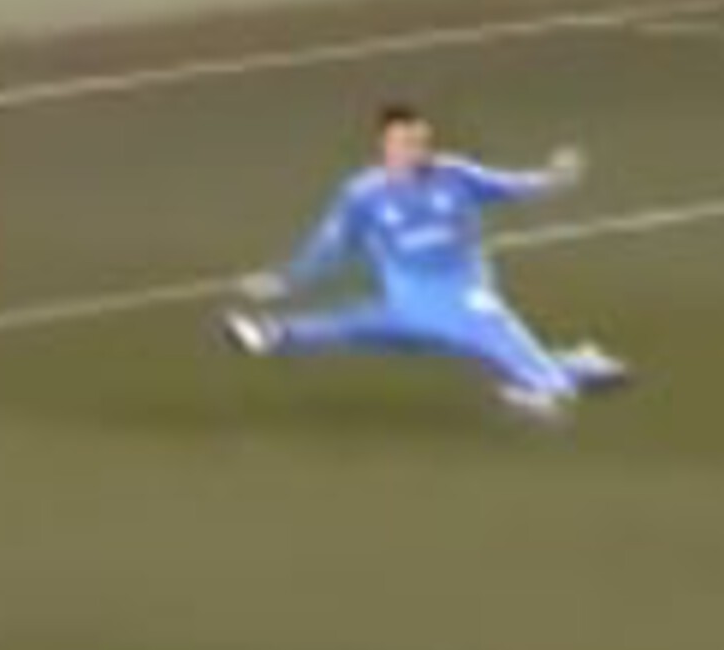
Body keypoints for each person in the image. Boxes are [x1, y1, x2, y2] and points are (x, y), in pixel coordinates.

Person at [223, 104, 630, 419]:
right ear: (386, 146)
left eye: (422, 141)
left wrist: (553, 178)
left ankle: (552, 382)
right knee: (358, 326)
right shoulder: (362, 194)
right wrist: (287, 280)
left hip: (461, 289)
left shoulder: (456, 175)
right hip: (410, 299)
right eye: (407, 143)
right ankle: (570, 370)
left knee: (492, 331)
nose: (418, 150)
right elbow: (330, 245)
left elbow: (512, 185)